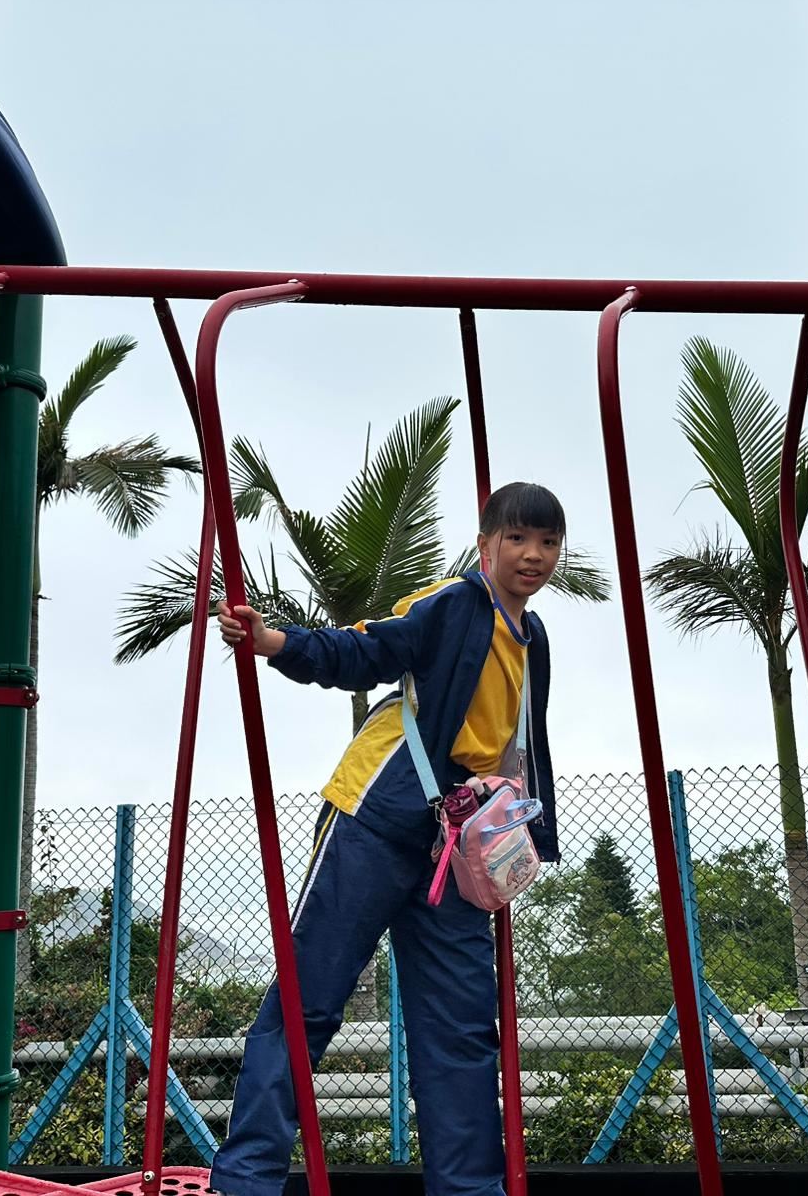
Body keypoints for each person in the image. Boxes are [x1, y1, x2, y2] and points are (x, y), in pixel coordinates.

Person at [208, 481, 565, 1196]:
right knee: (309, 999)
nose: (533, 555)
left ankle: (469, 1189)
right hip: (377, 817)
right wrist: (276, 642)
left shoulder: (533, 638)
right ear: (485, 543)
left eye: (548, 542)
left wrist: (521, 831)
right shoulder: (453, 603)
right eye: (517, 538)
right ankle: (246, 1179)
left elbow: (519, 744)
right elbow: (369, 649)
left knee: (461, 1028)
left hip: (455, 844)